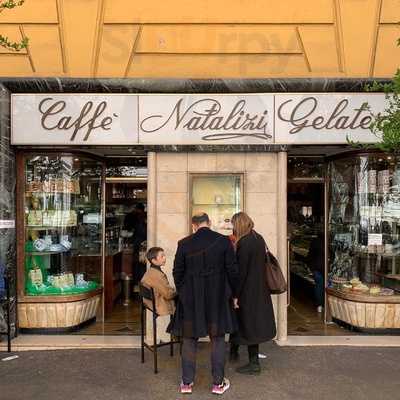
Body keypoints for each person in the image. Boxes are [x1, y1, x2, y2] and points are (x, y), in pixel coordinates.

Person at [172, 212, 238, 395]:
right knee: (217, 339)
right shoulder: (224, 241)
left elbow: (177, 272)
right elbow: (232, 270)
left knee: (189, 339)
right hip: (217, 297)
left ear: (194, 225)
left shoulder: (183, 243)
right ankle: (218, 384)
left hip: (191, 297)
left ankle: (186, 383)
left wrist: (184, 291)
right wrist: (235, 293)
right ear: (208, 223)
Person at [230, 212, 276, 375]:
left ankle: (253, 364)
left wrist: (235, 295)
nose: (232, 228)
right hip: (260, 289)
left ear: (238, 225)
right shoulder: (258, 238)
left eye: (233, 225)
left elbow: (241, 273)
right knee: (251, 324)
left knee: (248, 325)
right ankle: (234, 352)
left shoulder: (244, 243)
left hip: (248, 292)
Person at [140, 247, 176, 316]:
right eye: (162, 256)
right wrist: (177, 290)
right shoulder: (156, 275)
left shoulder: (151, 271)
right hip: (158, 304)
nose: (165, 258)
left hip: (152, 301)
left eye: (164, 255)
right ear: (154, 260)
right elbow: (168, 295)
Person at [306, 232, 325, 313]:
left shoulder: (315, 241)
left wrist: (310, 267)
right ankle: (324, 304)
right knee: (324, 285)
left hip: (316, 267)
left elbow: (310, 255)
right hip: (325, 267)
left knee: (318, 285)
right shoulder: (328, 241)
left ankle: (319, 305)